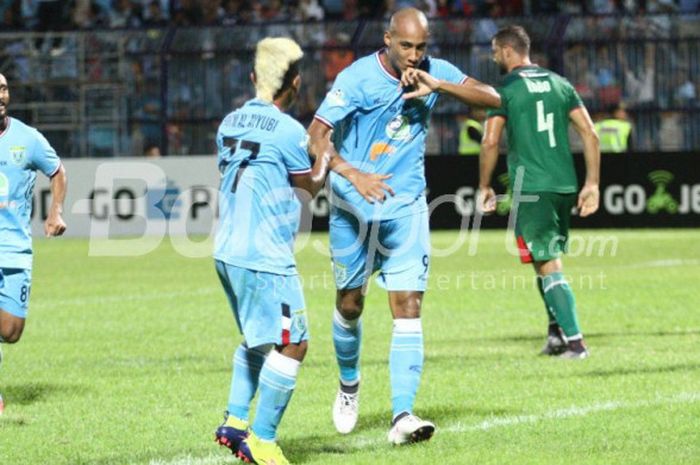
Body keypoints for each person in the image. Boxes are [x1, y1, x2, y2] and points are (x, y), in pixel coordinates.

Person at [307, 7, 500, 444]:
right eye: (406, 46)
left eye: (421, 47)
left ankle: (402, 416)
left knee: (408, 305)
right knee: (350, 304)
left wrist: (438, 84)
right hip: (352, 212)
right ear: (387, 39)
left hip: (407, 208)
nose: (414, 55)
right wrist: (352, 173)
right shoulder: (357, 78)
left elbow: (493, 98)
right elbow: (315, 137)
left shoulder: (435, 71)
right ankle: (349, 385)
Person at [211, 37, 382, 465]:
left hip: (227, 248)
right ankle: (263, 440)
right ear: (296, 84)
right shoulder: (289, 131)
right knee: (294, 343)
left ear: (253, 78)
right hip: (265, 253)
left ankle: (234, 422)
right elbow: (311, 183)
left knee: (258, 336)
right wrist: (323, 151)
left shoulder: (229, 122)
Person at [478, 25, 600, 359]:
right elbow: (590, 134)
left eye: (494, 50)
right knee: (538, 259)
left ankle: (576, 343)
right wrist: (592, 184)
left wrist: (485, 186)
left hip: (532, 188)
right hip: (563, 184)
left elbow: (490, 140)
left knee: (548, 263)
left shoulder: (505, 90)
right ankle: (556, 334)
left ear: (507, 50)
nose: (493, 57)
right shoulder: (560, 83)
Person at [0, 72, 67, 415]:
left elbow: (57, 171)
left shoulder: (28, 139)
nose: (0, 95)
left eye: (4, 88)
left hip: (14, 247)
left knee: (11, 332)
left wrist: (55, 212)